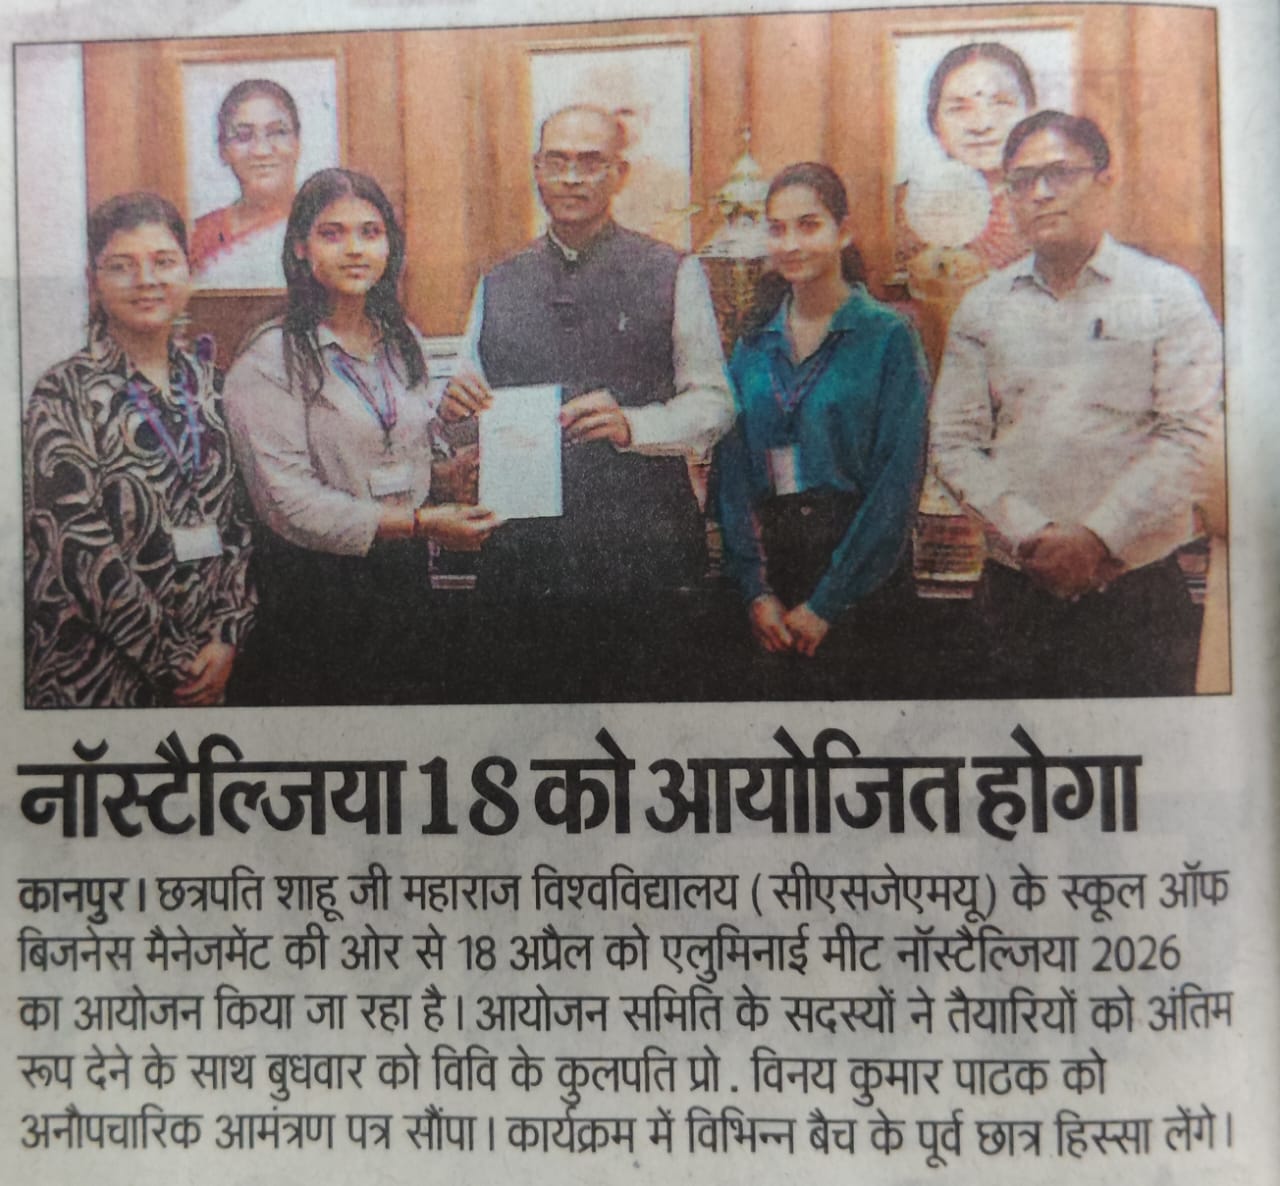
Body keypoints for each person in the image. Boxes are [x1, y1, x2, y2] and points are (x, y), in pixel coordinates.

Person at [439, 104, 733, 700]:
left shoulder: (673, 272)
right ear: (536, 169)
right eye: (558, 161)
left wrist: (634, 425)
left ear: (620, 174)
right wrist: (453, 410)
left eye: (591, 162)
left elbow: (715, 403)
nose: (572, 177)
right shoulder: (497, 282)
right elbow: (464, 415)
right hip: (525, 559)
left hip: (641, 549)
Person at [930, 111, 1223, 696]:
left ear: (1104, 181)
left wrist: (1097, 538)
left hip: (1136, 592)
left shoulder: (1168, 295)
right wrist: (1033, 534)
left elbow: (1190, 436)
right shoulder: (983, 307)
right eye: (1022, 181)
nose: (1040, 193)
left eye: (1060, 173)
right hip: (1015, 594)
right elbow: (953, 443)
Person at [224, 168, 496, 704]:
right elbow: (289, 503)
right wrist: (419, 523)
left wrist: (451, 475)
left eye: (370, 233)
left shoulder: (401, 342)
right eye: (333, 234)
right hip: (314, 594)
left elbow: (401, 455)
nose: (355, 249)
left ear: (390, 247)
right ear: (300, 247)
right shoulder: (270, 359)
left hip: (403, 583)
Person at [24, 192, 255, 707]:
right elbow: (76, 546)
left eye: (163, 261)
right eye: (122, 266)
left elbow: (241, 522)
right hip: (95, 674)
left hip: (211, 663)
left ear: (189, 271)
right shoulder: (62, 393)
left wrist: (228, 635)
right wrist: (175, 662)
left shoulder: (212, 385)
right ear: (93, 281)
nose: (146, 280)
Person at [712, 163, 929, 699]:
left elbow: (897, 483)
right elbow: (732, 473)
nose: (791, 243)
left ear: (843, 231)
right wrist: (755, 591)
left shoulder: (887, 335)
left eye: (808, 225)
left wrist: (827, 604)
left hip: (861, 573)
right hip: (773, 572)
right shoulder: (753, 341)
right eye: (777, 228)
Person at [896, 42, 1037, 289]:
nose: (981, 125)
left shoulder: (1051, 206)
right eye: (958, 108)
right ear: (935, 122)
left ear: (1030, 114)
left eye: (1001, 103)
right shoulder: (896, 211)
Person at [190, 79, 301, 287]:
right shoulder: (199, 237)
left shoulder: (320, 227)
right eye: (243, 136)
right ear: (223, 150)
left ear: (297, 143)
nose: (261, 151)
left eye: (277, 132)